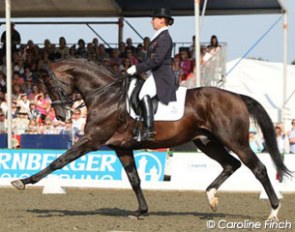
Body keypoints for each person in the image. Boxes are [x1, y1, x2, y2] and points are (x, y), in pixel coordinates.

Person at [127, 8, 177, 141]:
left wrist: (137, 68)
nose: (151, 21)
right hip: (154, 74)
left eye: (154, 18)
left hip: (161, 76)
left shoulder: (165, 37)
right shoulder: (159, 36)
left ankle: (149, 131)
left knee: (144, 94)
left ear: (162, 20)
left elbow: (156, 60)